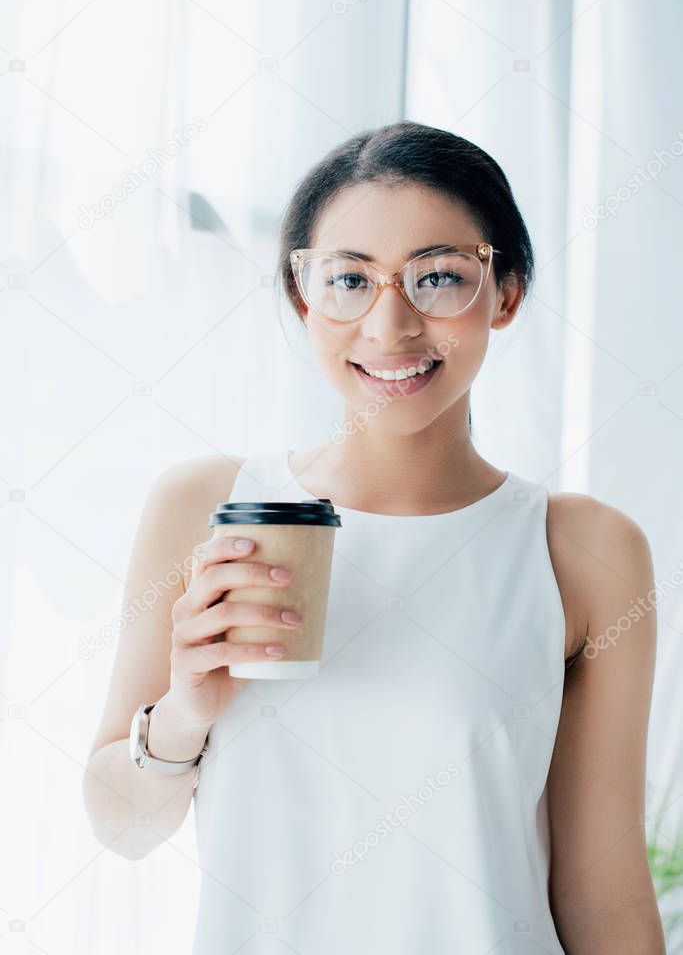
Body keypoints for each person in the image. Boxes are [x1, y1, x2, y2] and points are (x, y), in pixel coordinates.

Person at [83, 121, 665, 953]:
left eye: (437, 276)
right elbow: (122, 829)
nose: (389, 326)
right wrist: (184, 710)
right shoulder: (210, 505)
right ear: (301, 297)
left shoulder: (583, 549)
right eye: (348, 279)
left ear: (504, 293)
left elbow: (602, 899)